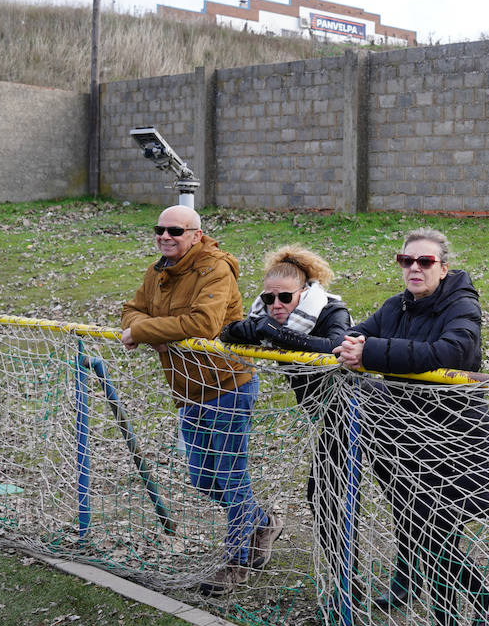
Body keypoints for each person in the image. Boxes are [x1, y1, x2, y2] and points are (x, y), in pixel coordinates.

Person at [333, 228, 489, 626]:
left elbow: (452, 351)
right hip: (403, 440)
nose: (413, 268)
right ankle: (483, 605)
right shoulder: (395, 307)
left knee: (437, 537)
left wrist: (371, 353)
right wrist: (347, 343)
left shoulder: (461, 304)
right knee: (423, 536)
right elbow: (357, 334)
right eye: (405, 260)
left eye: (424, 262)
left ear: (443, 267)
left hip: (453, 443)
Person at [120, 205, 283, 597]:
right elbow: (130, 310)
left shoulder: (215, 268)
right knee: (203, 478)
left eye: (175, 230)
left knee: (229, 476)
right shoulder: (159, 270)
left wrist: (144, 332)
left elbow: (203, 325)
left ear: (195, 234)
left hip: (228, 384)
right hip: (188, 389)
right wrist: (145, 329)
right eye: (160, 229)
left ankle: (236, 564)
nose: (166, 236)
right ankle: (262, 521)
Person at [219, 245, 354, 600]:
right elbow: (230, 331)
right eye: (269, 297)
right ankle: (346, 580)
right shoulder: (268, 315)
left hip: (367, 413)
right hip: (329, 419)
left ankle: (397, 576)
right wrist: (258, 327)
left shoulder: (331, 310)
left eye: (285, 297)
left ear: (305, 291)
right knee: (323, 497)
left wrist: (276, 334)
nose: (276, 304)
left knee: (397, 501)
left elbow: (335, 346)